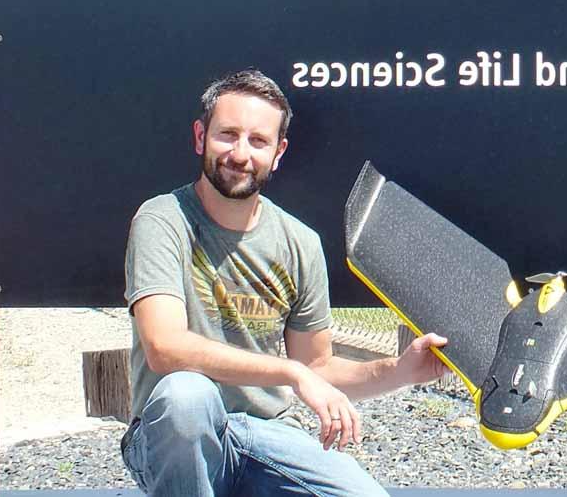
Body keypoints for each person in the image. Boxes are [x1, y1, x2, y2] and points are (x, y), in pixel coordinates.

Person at [120, 69, 447, 497]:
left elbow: (317, 368)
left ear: (278, 152)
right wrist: (291, 373)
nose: (240, 154)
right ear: (200, 137)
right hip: (176, 441)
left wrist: (400, 371)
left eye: (258, 141)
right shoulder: (163, 220)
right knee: (187, 395)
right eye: (227, 135)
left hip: (266, 435)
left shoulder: (300, 242)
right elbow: (166, 349)